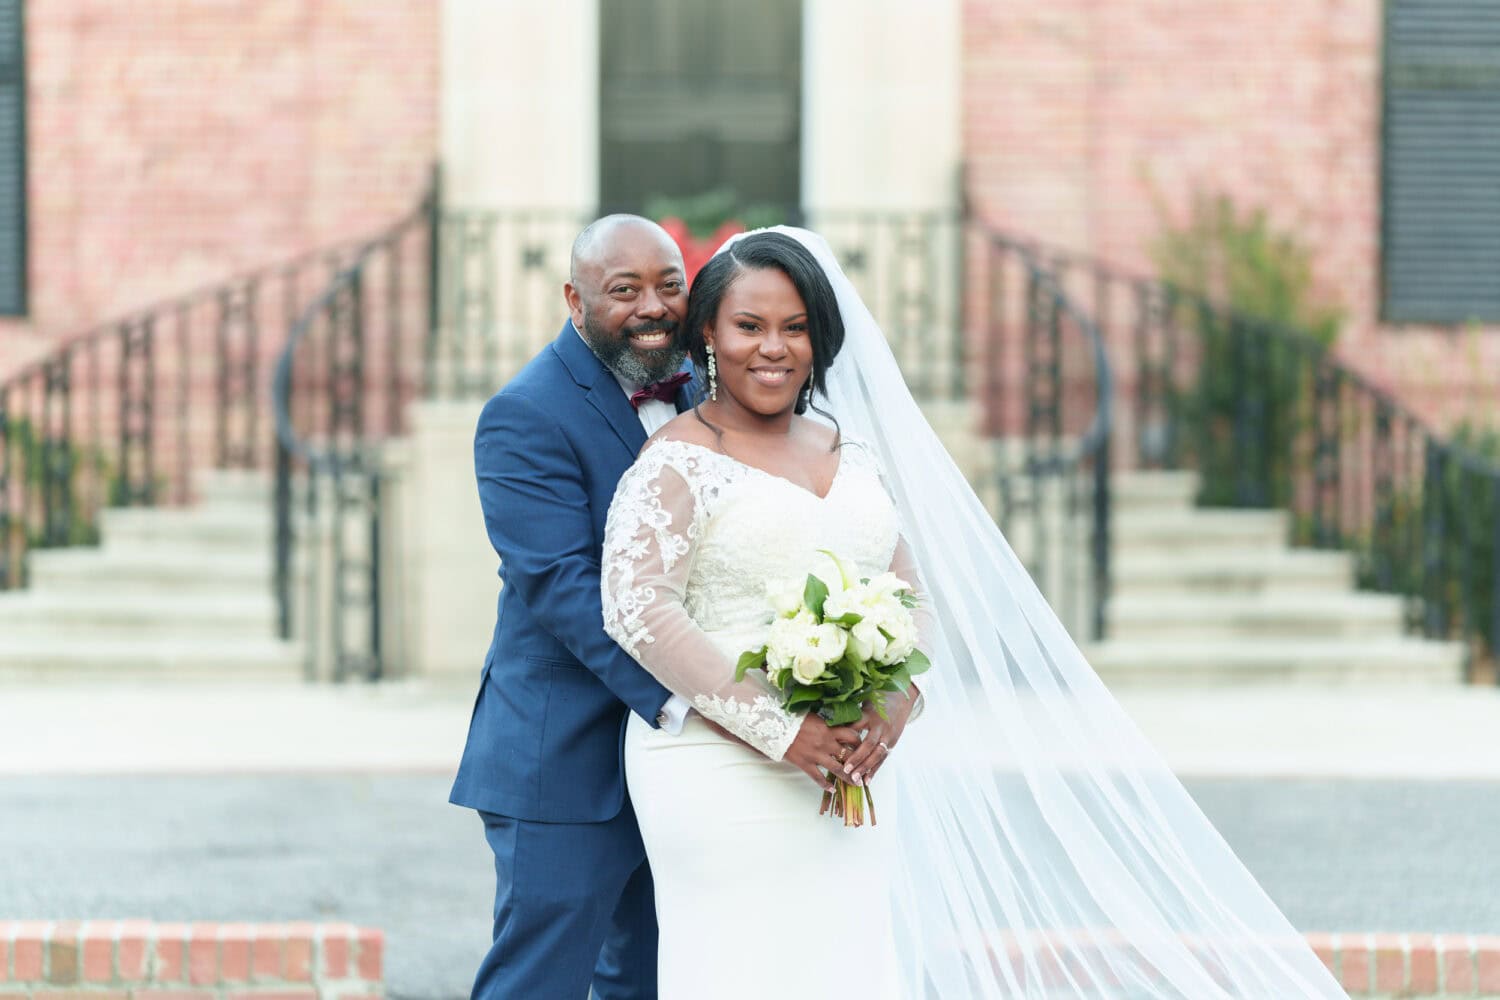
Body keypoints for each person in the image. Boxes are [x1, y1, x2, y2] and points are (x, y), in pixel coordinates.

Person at [601, 229, 1350, 999]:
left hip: (850, 774)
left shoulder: (848, 451)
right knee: (739, 968)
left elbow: (909, 594)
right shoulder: (676, 460)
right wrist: (784, 730)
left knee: (846, 968)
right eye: (749, 327)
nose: (774, 348)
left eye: (795, 328)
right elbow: (639, 611)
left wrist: (898, 699)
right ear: (709, 337)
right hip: (721, 772)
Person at [448, 215, 705, 999]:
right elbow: (562, 587)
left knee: (649, 978)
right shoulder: (523, 414)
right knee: (541, 981)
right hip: (561, 756)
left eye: (669, 285)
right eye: (623, 290)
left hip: (677, 770)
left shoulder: (703, 388)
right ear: (574, 299)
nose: (653, 307)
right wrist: (691, 700)